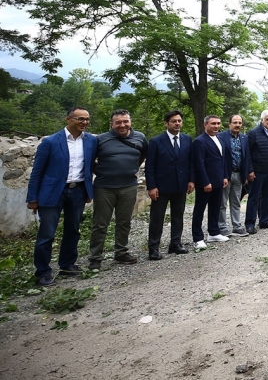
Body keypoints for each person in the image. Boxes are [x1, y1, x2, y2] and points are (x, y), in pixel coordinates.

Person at [27, 107, 96, 286]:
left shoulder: (90, 141)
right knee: (47, 233)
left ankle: (67, 264)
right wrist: (32, 199)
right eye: (80, 119)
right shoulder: (50, 141)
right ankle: (43, 271)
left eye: (87, 119)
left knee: (73, 230)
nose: (84, 123)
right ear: (68, 119)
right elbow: (37, 172)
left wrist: (89, 191)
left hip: (78, 191)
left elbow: (90, 167)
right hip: (52, 193)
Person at [88, 109, 147, 270]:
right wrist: (100, 172)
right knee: (100, 224)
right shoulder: (100, 139)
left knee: (124, 221)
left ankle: (121, 252)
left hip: (128, 186)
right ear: (111, 124)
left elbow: (143, 155)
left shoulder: (140, 137)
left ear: (130, 122)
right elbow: (89, 159)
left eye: (125, 121)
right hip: (104, 187)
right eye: (118, 122)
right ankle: (95, 257)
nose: (122, 125)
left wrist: (131, 168)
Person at [145, 110, 194, 260]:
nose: (177, 123)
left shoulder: (187, 139)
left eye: (179, 121)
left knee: (178, 216)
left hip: (180, 185)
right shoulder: (156, 141)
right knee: (157, 218)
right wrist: (151, 186)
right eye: (174, 121)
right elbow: (150, 166)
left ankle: (175, 243)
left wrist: (191, 180)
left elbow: (190, 162)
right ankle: (153, 248)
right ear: (166, 123)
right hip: (161, 187)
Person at [191, 115, 231, 248]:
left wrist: (225, 176)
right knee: (200, 209)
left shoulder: (219, 138)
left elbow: (223, 159)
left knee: (215, 207)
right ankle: (197, 237)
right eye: (213, 124)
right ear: (205, 125)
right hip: (206, 183)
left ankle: (214, 232)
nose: (216, 126)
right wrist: (205, 182)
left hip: (219, 180)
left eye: (218, 124)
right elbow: (199, 164)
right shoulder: (200, 141)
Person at [245, 110, 268, 233]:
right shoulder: (254, 133)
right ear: (262, 120)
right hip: (257, 172)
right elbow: (248, 154)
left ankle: (264, 220)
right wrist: (250, 170)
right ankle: (250, 223)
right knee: (254, 198)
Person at [217, 114, 250, 236]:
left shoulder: (244, 138)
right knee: (222, 203)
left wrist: (245, 175)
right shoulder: (221, 137)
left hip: (239, 174)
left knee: (236, 202)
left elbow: (246, 157)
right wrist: (223, 175)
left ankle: (237, 226)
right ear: (229, 124)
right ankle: (222, 227)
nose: (237, 125)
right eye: (235, 122)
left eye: (240, 123)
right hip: (226, 175)